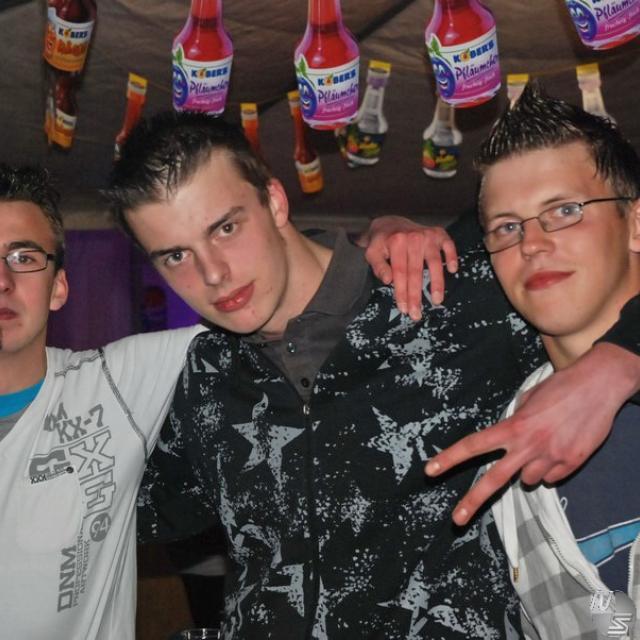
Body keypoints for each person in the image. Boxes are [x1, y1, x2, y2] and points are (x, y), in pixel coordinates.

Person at [105, 111, 640, 639]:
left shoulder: (452, 295)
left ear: (274, 200)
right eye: (175, 256)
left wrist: (614, 363)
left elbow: (602, 267)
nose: (213, 273)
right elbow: (107, 514)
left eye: (226, 227)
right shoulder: (200, 378)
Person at [433, 84, 640, 637]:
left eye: (565, 211)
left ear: (636, 224)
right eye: (507, 226)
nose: (531, 244)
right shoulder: (503, 449)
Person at [0, 164, 205, 639]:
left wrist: (370, 249)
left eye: (23, 257)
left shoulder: (115, 385)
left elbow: (269, 304)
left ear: (58, 287)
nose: (2, 280)